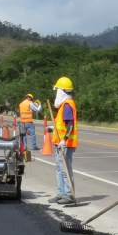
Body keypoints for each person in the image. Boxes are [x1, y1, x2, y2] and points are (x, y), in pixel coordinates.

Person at [50, 76, 77, 206]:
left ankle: (69, 194)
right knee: (59, 169)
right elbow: (62, 124)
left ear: (62, 91)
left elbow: (70, 124)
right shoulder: (63, 106)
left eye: (58, 91)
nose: (56, 93)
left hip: (65, 144)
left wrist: (64, 139)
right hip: (59, 142)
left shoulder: (67, 105)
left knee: (65, 170)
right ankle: (61, 193)